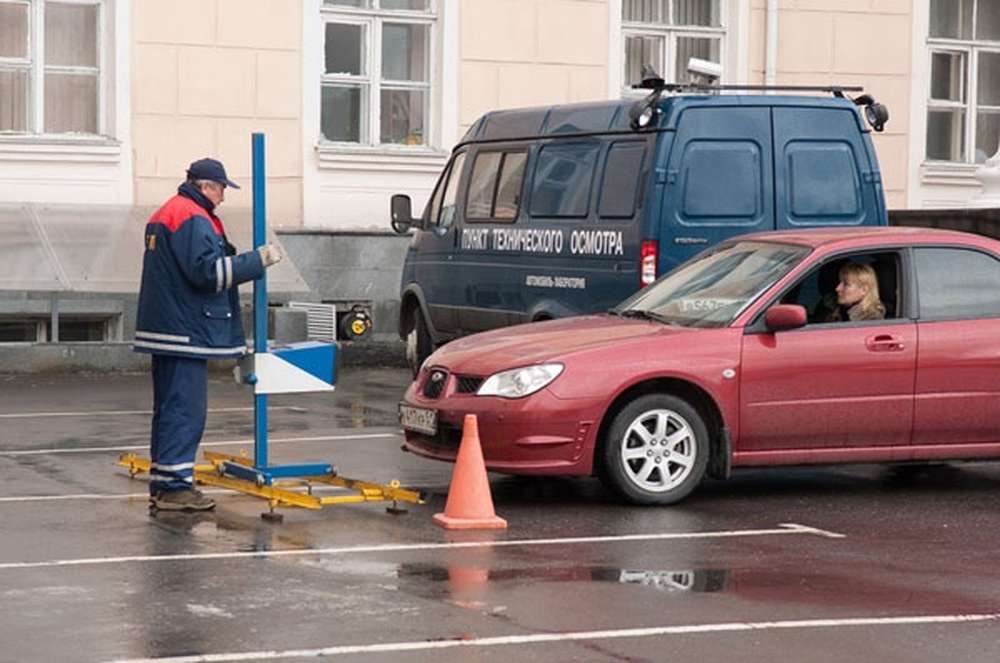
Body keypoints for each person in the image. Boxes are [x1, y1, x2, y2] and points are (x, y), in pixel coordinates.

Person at [134, 158, 283, 511]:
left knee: (171, 408)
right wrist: (256, 261)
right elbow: (208, 274)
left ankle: (165, 480)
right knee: (185, 410)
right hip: (184, 330)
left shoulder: (171, 211)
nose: (222, 197)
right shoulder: (192, 217)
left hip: (168, 328)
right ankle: (174, 489)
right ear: (204, 186)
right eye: (220, 189)